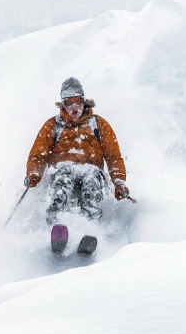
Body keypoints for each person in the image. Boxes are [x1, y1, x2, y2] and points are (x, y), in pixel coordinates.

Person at [25, 77, 130, 226]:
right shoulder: (53, 125)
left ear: (84, 101)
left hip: (92, 169)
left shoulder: (99, 124)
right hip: (62, 168)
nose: (74, 107)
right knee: (62, 184)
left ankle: (90, 227)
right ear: (63, 105)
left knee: (91, 185)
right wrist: (33, 173)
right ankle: (57, 227)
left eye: (78, 101)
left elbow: (113, 156)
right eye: (69, 103)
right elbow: (38, 154)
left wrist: (119, 183)